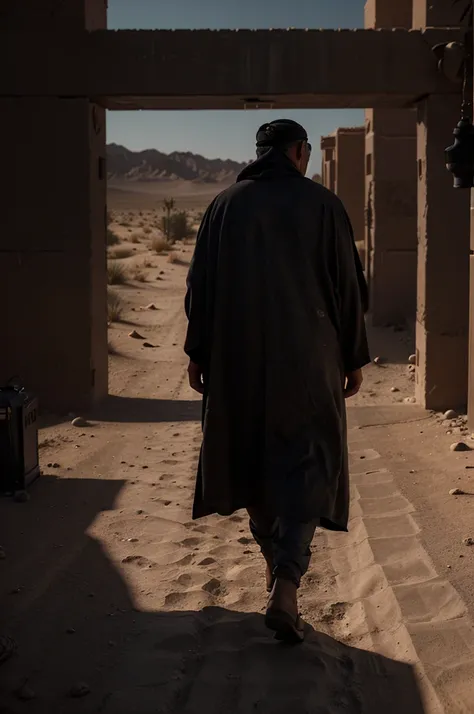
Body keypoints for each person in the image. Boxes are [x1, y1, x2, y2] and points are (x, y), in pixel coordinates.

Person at [184, 119, 370, 643]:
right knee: (310, 461)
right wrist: (352, 356)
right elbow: (348, 288)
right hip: (309, 359)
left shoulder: (223, 205)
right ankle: (287, 579)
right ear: (296, 152)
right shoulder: (324, 205)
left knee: (251, 460)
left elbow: (201, 285)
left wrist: (198, 352)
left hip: (236, 360)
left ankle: (273, 561)